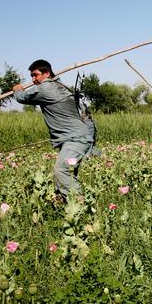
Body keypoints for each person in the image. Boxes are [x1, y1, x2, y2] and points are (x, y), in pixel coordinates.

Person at [13, 59, 93, 200]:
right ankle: (64, 202)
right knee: (68, 172)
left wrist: (18, 90)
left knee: (61, 170)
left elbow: (23, 97)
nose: (33, 79)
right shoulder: (58, 85)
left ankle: (80, 204)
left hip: (75, 138)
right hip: (75, 137)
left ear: (47, 73)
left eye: (35, 75)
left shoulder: (47, 88)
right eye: (31, 76)